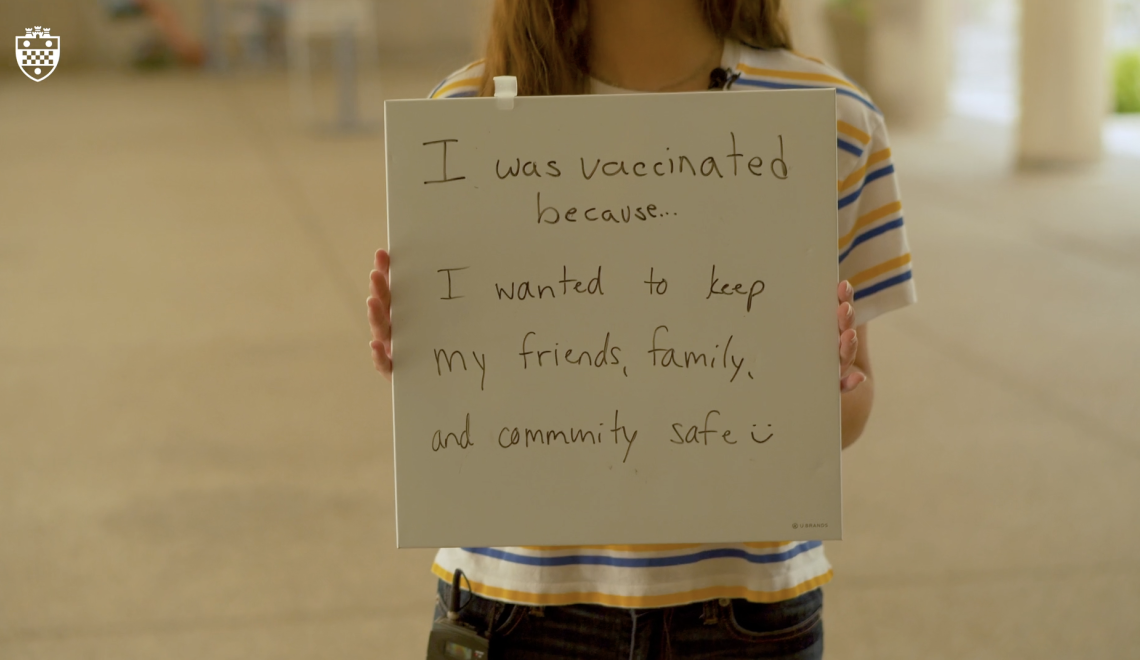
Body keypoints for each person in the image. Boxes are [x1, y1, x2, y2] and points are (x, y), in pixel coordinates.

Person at [367, 0, 916, 656]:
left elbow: (855, 402)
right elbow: (457, 407)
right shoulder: (466, 115)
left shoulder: (831, 116)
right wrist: (422, 359)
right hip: (513, 610)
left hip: (745, 612)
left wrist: (820, 384)